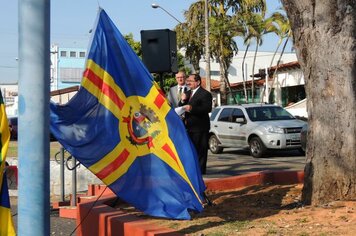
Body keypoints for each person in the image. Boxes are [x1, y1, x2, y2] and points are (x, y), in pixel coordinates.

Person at [179, 74, 212, 174]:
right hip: (188, 127)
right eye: (187, 80)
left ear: (197, 82)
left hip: (200, 127)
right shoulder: (187, 93)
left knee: (200, 151)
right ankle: (192, 171)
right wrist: (182, 100)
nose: (188, 82)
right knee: (190, 151)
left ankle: (201, 172)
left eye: (190, 81)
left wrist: (192, 109)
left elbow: (207, 108)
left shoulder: (205, 94)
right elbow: (181, 106)